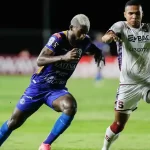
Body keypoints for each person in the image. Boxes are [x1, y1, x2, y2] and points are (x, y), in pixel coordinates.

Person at [0, 14, 105, 150]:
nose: (82, 36)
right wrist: (63, 57)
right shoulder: (58, 39)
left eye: (85, 32)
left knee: (70, 106)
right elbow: (40, 60)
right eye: (80, 32)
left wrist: (98, 53)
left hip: (56, 90)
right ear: (71, 28)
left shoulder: (84, 41)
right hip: (38, 87)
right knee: (14, 122)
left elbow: (91, 47)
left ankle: (45, 145)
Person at [101, 0, 150, 150]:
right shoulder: (120, 26)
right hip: (128, 84)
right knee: (119, 125)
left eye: (137, 13)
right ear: (125, 14)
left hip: (147, 82)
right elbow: (106, 36)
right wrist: (109, 38)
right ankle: (105, 148)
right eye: (131, 13)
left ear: (142, 14)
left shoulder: (148, 29)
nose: (134, 16)